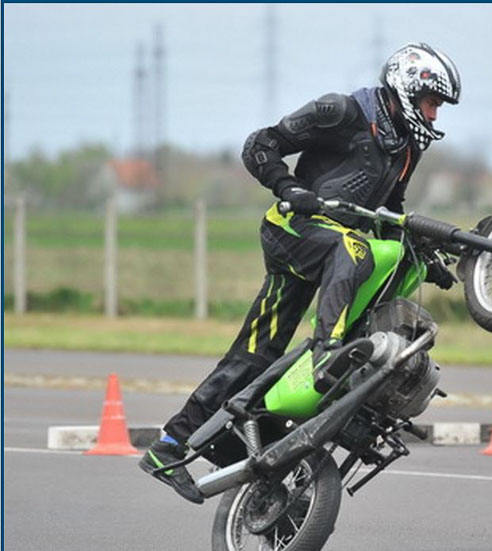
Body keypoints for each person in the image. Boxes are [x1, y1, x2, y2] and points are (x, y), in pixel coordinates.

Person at [139, 42, 461, 504]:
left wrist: (425, 260)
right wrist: (289, 186)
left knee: (255, 354)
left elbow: (390, 209)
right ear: (408, 88)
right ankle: (329, 352)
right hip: (292, 228)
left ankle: (173, 445)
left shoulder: (407, 147)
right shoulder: (341, 112)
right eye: (431, 102)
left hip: (332, 250)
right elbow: (260, 145)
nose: (434, 115)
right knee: (355, 250)